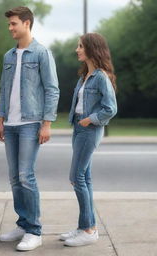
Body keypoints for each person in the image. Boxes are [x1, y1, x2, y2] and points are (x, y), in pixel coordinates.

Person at [0, 6, 59, 251]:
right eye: (9, 24)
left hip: (31, 123)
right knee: (14, 178)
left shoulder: (42, 53)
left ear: (27, 23)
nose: (10, 28)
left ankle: (34, 230)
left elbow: (52, 89)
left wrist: (47, 123)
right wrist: (1, 119)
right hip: (10, 124)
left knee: (26, 175)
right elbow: (4, 88)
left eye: (13, 24)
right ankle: (22, 224)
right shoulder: (8, 56)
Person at [60, 33, 117, 247]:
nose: (77, 49)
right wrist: (78, 122)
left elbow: (110, 108)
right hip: (79, 127)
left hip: (89, 129)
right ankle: (85, 226)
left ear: (92, 49)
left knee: (76, 177)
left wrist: (89, 120)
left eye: (81, 46)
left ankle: (88, 230)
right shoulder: (84, 76)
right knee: (85, 177)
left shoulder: (101, 77)